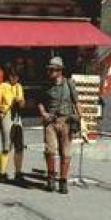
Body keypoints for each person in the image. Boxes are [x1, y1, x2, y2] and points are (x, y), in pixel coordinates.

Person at [37, 55, 82, 194]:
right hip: (50, 122)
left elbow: (76, 102)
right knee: (50, 150)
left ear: (60, 70)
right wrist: (43, 113)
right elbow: (40, 102)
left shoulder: (69, 84)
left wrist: (80, 120)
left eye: (53, 70)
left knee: (66, 152)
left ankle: (63, 181)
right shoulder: (45, 85)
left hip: (66, 121)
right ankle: (50, 179)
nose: (50, 72)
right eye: (49, 69)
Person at [0, 64, 25, 184]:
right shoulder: (2, 87)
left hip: (17, 117)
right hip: (6, 116)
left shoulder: (19, 87)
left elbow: (22, 103)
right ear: (8, 76)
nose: (14, 79)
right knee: (6, 146)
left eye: (16, 77)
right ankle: (2, 173)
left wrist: (20, 101)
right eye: (12, 76)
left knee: (19, 146)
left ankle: (18, 172)